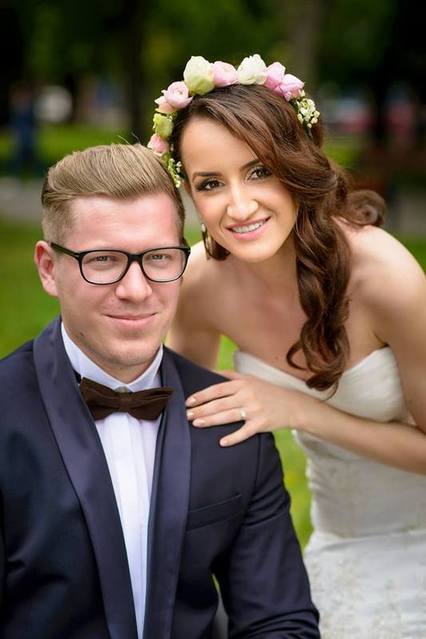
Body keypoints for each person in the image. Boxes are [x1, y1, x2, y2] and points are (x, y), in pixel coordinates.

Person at [149, 55, 426, 638]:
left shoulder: (386, 278)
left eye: (259, 171)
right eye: (210, 183)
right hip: (340, 543)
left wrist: (301, 411)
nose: (239, 206)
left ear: (296, 165)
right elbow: (182, 432)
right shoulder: (198, 284)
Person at [0, 143, 319, 639]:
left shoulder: (232, 422)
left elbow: (279, 621)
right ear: (48, 268)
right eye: (103, 260)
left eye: (159, 257)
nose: (136, 289)